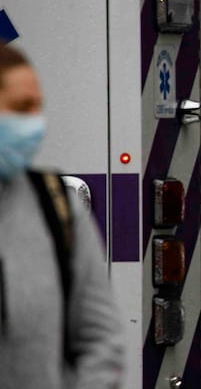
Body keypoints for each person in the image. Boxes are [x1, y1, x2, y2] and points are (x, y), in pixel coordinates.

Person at [0, 44, 124, 388]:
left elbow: (101, 338)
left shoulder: (57, 208)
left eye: (37, 108)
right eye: (21, 109)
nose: (34, 124)